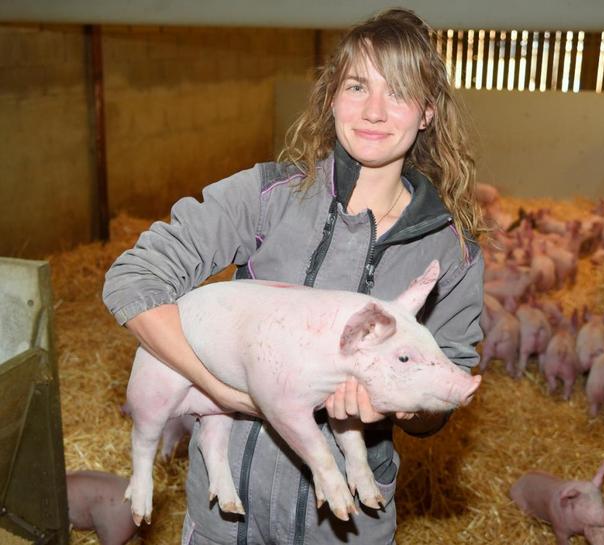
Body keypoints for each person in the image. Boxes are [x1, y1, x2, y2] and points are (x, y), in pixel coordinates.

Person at [103, 8, 485, 545]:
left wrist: (395, 406)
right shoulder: (268, 198)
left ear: (426, 113)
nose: (374, 111)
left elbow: (445, 383)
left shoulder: (449, 251)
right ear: (331, 97)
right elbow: (133, 279)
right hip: (226, 516)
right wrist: (223, 388)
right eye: (357, 86)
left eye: (398, 92)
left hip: (346, 526)